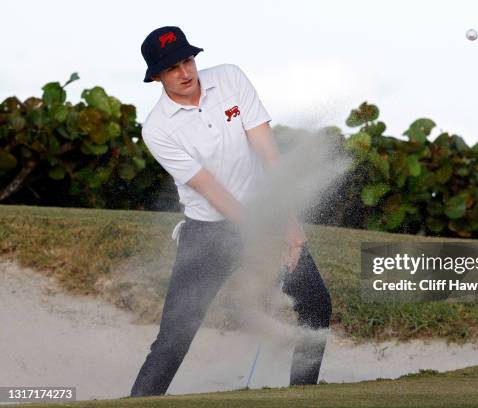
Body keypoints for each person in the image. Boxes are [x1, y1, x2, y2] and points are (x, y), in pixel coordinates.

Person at [130, 26, 332, 397]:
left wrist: (287, 221)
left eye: (188, 60)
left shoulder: (229, 78)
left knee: (316, 303)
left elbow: (267, 150)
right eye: (172, 68)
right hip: (207, 231)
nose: (186, 73)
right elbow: (210, 189)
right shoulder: (157, 129)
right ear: (156, 76)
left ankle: (305, 396)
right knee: (175, 337)